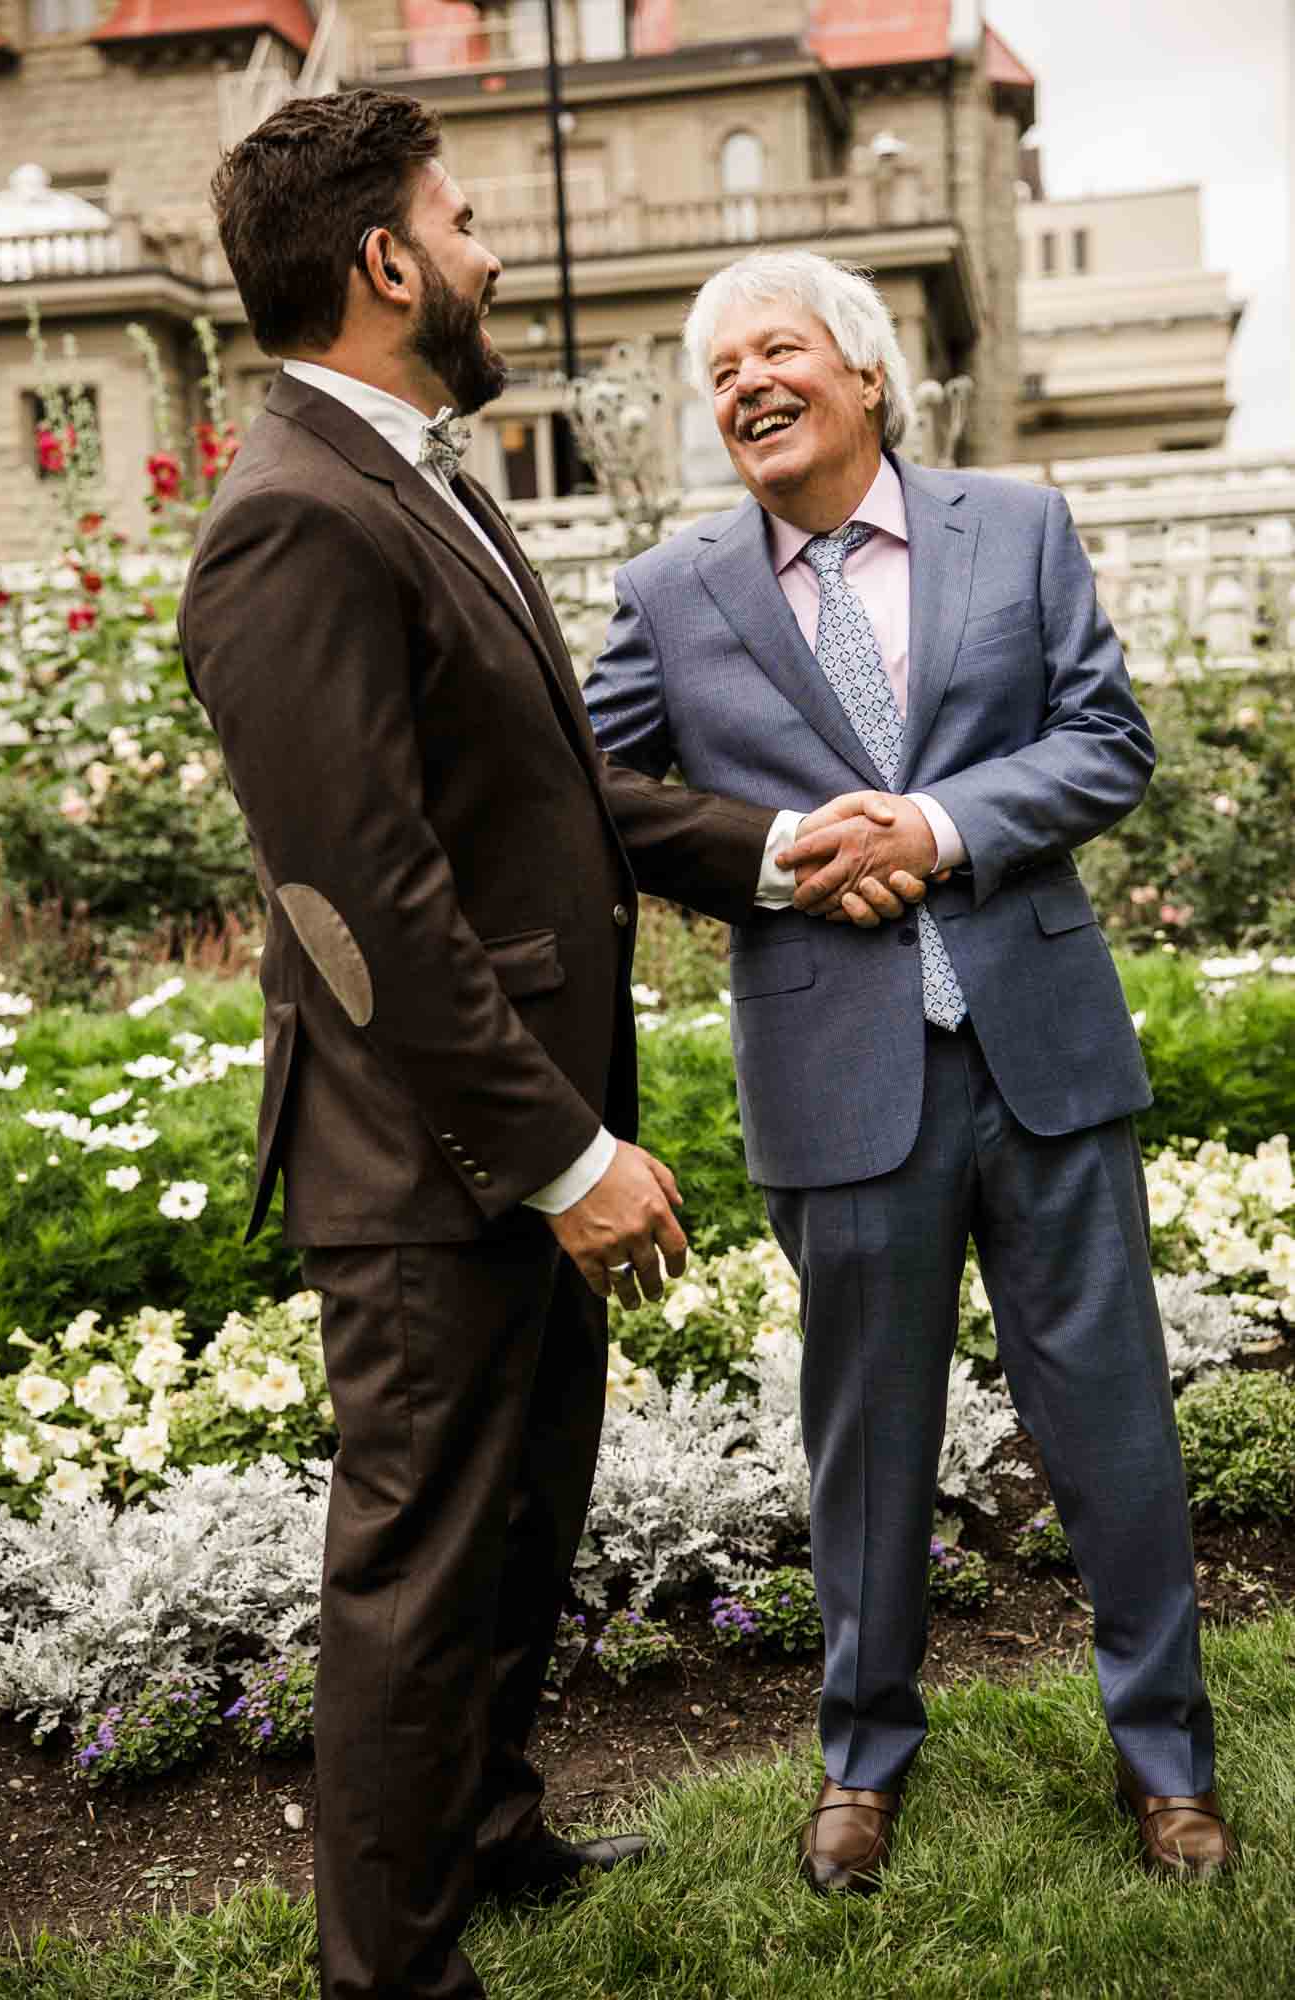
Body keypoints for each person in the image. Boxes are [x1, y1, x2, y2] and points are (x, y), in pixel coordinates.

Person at [178, 90, 819, 2000]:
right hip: (430, 1158)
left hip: (501, 1134)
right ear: (385, 263)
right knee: (420, 1570)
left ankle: (489, 1835)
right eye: (462, 220)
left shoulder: (410, 469)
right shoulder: (292, 515)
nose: (488, 250)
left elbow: (543, 794)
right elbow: (359, 904)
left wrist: (773, 848)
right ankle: (390, 1967)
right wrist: (556, 1156)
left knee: (521, 1523)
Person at [583, 248, 1238, 1895]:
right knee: (862, 1440)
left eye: (774, 348)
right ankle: (860, 1763)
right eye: (716, 367)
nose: (741, 381)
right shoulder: (673, 592)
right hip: (834, 1076)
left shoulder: (1011, 529)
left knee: (1111, 1429)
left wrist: (936, 828)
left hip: (1042, 1056)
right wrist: (787, 852)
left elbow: (1103, 742)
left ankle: (1165, 1764)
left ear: (865, 375)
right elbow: (582, 788)